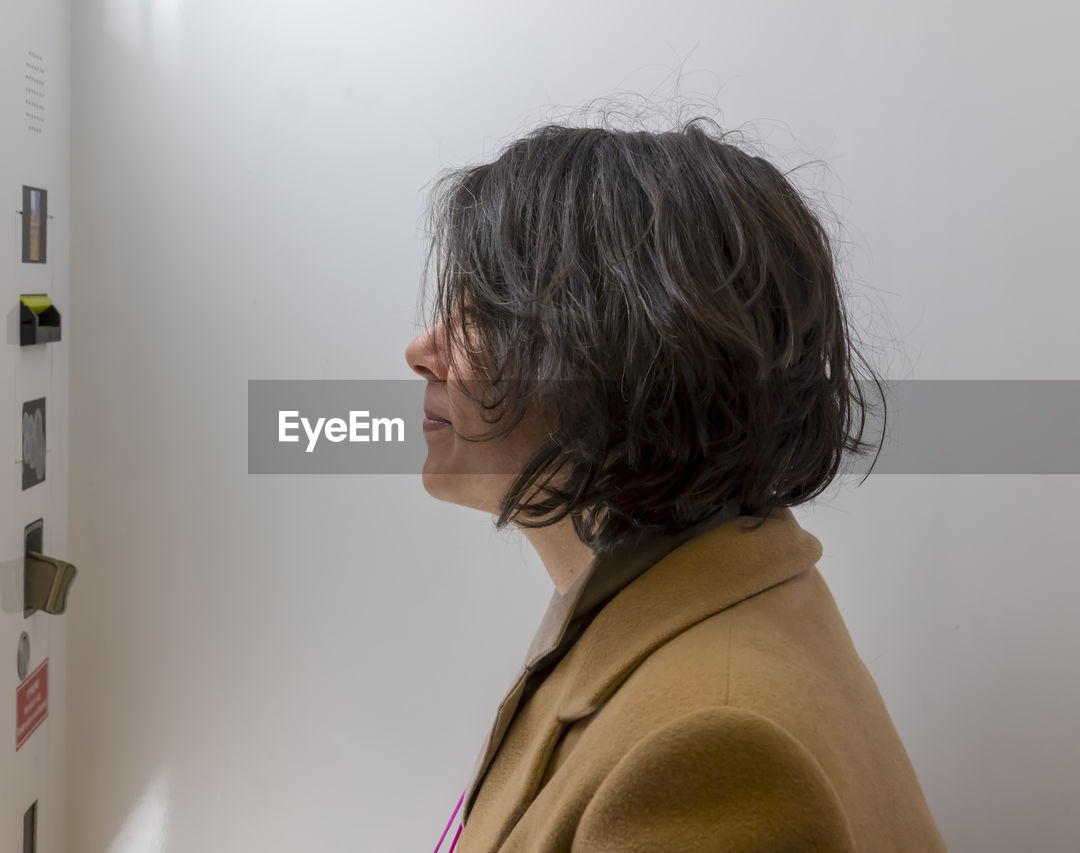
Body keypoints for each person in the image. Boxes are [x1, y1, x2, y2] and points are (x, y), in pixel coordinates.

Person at [405, 117, 947, 852]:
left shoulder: (708, 748)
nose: (421, 351)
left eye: (477, 313)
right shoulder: (683, 603)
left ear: (612, 353)